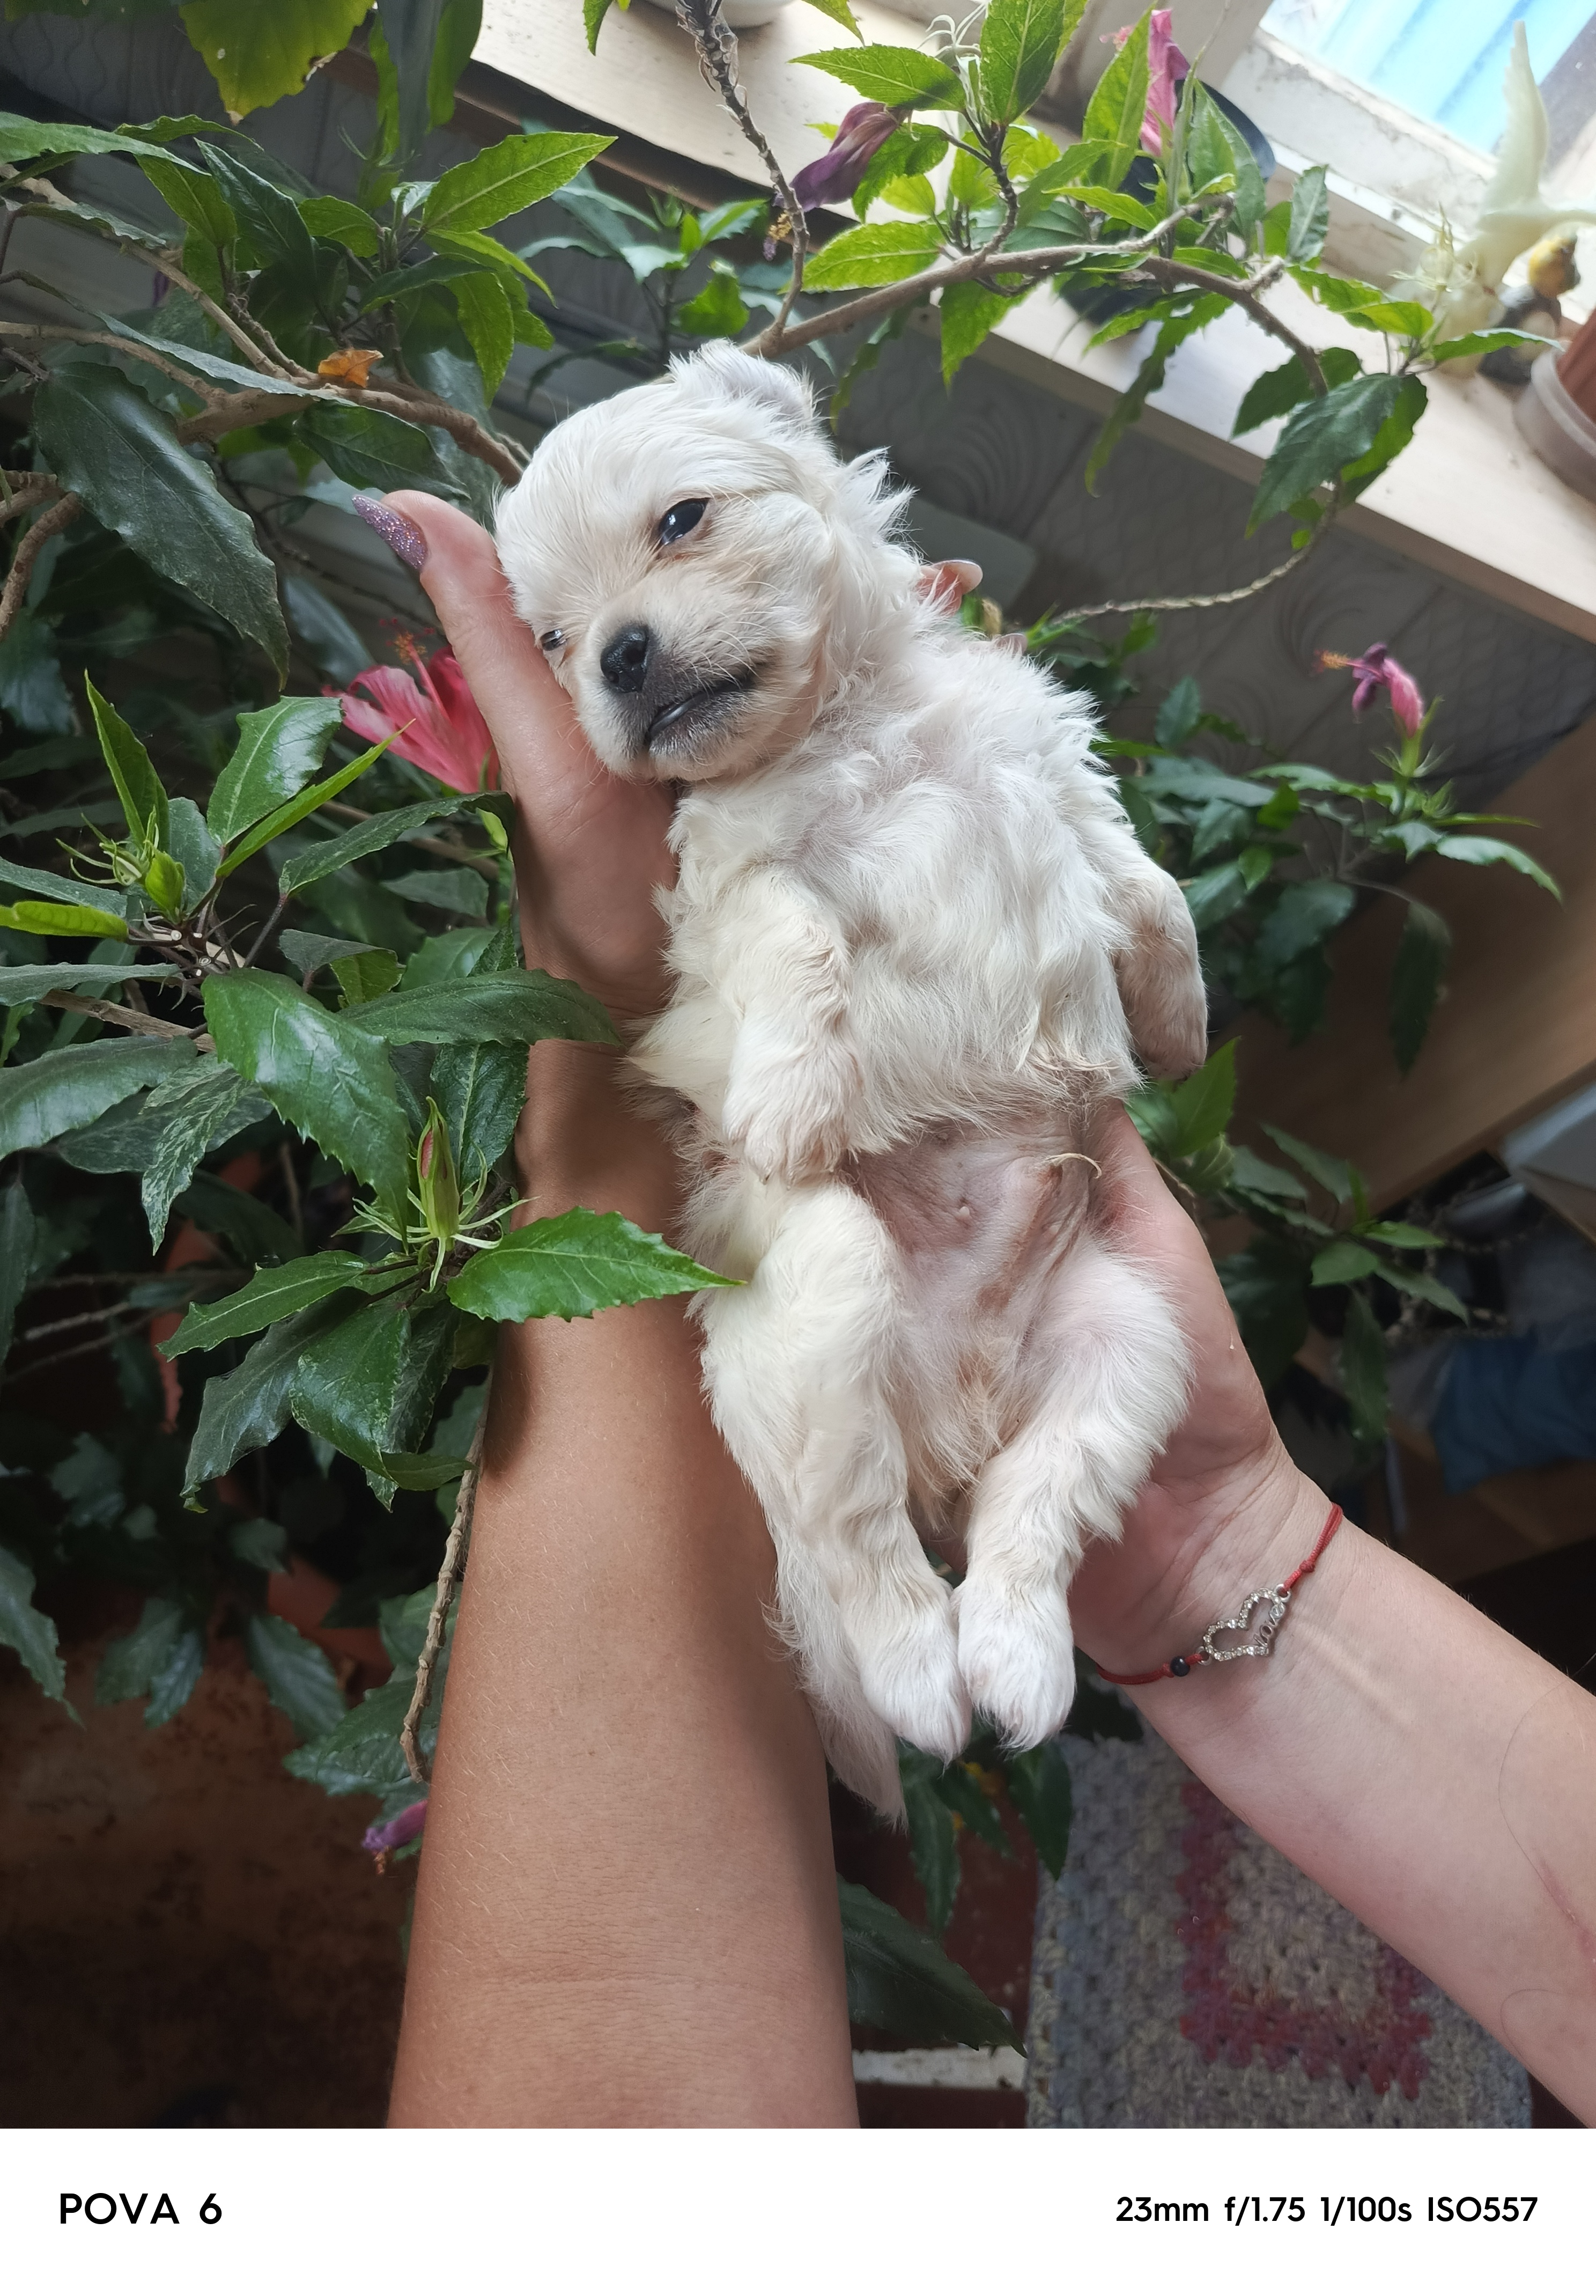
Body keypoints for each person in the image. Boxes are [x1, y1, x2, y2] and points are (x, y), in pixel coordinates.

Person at [375, 492, 1596, 2130]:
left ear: (817, 492)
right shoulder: (734, 810)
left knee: (1124, 1342)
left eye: (682, 522)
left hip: (1036, 1228)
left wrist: (1151, 939)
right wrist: (679, 1023)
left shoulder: (974, 698)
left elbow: (1088, 829)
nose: (630, 635)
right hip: (858, 1216)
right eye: (561, 633)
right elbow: (749, 909)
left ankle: (1013, 1567)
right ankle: (875, 1591)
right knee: (821, 1294)